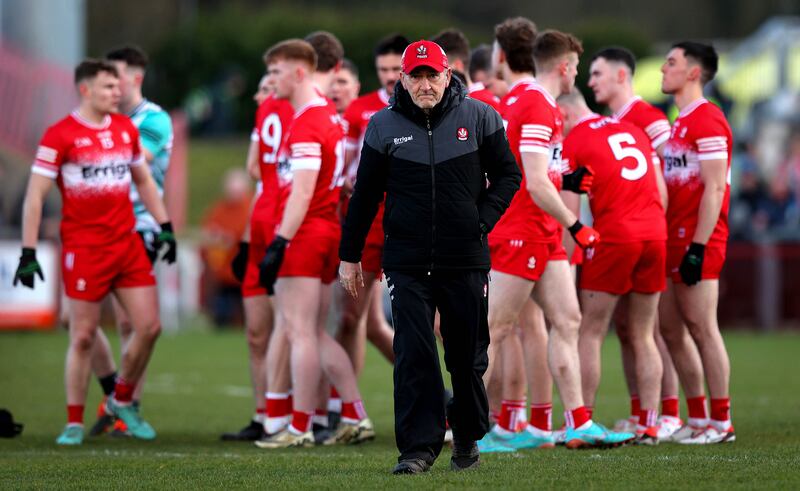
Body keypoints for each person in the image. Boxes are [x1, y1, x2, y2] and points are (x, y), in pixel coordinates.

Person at [339, 39, 521, 474]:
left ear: (447, 75)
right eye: (415, 76)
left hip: (465, 257)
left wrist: (481, 221)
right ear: (402, 78)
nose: (424, 84)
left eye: (431, 75)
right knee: (414, 354)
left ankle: (467, 440)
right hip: (405, 259)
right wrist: (350, 255)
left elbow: (509, 174)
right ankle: (417, 451)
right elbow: (364, 197)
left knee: (466, 357)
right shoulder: (383, 125)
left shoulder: (479, 116)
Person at [483, 26, 638, 450]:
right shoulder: (536, 104)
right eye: (577, 68)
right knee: (494, 330)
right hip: (524, 230)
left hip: (539, 230)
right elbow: (533, 181)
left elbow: (530, 167)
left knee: (568, 320)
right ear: (565, 67)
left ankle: (579, 424)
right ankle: (469, 427)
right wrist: (576, 224)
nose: (578, 77)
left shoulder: (525, 99)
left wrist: (564, 179)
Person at [13, 59, 176, 445]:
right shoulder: (60, 135)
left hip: (127, 243)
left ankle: (121, 401)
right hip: (85, 248)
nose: (116, 93)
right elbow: (35, 197)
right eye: (107, 87)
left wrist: (165, 226)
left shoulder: (124, 129)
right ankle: (73, 421)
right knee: (83, 334)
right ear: (85, 90)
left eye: (117, 87)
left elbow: (144, 182)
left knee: (150, 327)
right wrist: (28, 251)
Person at [254, 37, 374, 449]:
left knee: (299, 331)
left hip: (305, 232)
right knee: (317, 333)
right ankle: (354, 413)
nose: (272, 81)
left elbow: (301, 191)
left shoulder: (306, 120)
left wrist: (278, 243)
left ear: (300, 71)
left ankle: (300, 426)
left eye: (278, 71)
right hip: (326, 230)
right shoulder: (328, 116)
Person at [587, 46, 691, 439]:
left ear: (620, 75)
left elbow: (673, 172)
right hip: (624, 235)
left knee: (655, 328)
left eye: (597, 73)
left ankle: (668, 411)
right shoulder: (610, 122)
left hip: (650, 233)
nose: (591, 81)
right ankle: (640, 411)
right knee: (629, 328)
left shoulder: (648, 116)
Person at [559, 89, 667, 444]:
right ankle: (649, 423)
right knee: (643, 333)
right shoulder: (630, 129)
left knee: (590, 330)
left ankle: (582, 422)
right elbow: (662, 193)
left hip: (616, 235)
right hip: (655, 232)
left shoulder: (575, 138)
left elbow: (570, 210)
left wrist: (563, 259)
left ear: (564, 112)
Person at [85, 46, 175, 438]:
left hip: (139, 224)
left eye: (116, 76)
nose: (110, 85)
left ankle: (127, 405)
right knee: (79, 323)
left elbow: (128, 162)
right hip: (94, 229)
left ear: (135, 78)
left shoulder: (153, 119)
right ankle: (114, 394)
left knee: (130, 321)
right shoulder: (101, 121)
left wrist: (87, 138)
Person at [659, 41, 735, 444]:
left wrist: (700, 246)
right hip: (674, 236)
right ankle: (700, 418)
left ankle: (722, 423)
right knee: (670, 328)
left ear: (693, 72)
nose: (662, 70)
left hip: (698, 239)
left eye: (671, 63)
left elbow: (715, 186)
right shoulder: (681, 120)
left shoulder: (708, 119)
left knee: (702, 327)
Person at [222, 63, 295, 441]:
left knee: (291, 327)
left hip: (289, 234)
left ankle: (300, 411)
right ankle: (263, 413)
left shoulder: (299, 120)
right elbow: (257, 176)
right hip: (261, 231)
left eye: (267, 86)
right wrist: (248, 241)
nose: (259, 95)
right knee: (256, 333)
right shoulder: (267, 120)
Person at [337, 34, 409, 377]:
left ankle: (455, 401)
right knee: (353, 318)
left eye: (396, 68)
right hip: (370, 222)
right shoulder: (360, 109)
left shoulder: (428, 105)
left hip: (411, 222)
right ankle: (349, 411)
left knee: (434, 324)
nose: (390, 75)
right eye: (383, 69)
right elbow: (346, 165)